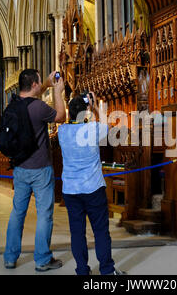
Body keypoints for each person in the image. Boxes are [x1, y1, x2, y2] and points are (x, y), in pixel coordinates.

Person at [3, 69, 66, 272]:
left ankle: (10, 257)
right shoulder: (38, 107)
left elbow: (34, 94)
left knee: (17, 213)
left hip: (20, 168)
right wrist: (57, 90)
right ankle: (42, 259)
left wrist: (47, 83)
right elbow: (60, 117)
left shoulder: (11, 105)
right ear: (34, 85)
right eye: (40, 82)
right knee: (44, 215)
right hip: (40, 169)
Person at [58, 92, 125, 275]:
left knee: (77, 232)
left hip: (71, 190)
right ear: (85, 111)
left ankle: (82, 270)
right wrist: (94, 107)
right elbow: (106, 124)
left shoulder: (62, 131)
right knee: (101, 231)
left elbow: (65, 120)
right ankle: (107, 270)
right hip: (93, 187)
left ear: (69, 112)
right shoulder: (93, 129)